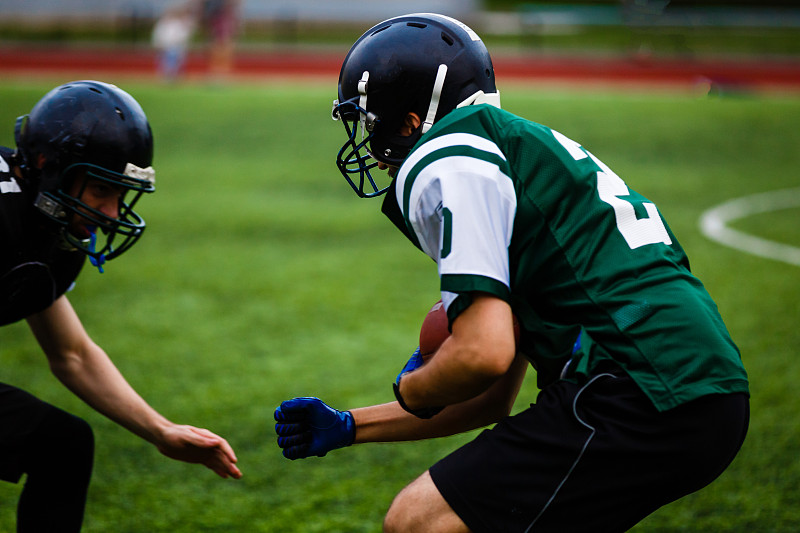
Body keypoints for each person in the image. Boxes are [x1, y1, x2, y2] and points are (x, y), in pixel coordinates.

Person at [273, 13, 750, 533]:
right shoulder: (509, 148)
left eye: (372, 121)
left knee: (419, 520)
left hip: (638, 383)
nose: (369, 141)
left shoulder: (447, 155)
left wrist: (417, 387)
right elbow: (495, 394)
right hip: (687, 380)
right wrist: (350, 426)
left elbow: (481, 353)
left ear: (412, 119)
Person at [0, 80, 241, 532]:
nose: (111, 213)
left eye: (119, 194)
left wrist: (159, 429)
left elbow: (71, 353)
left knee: (62, 443)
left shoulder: (40, 221)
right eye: (99, 192)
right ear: (51, 169)